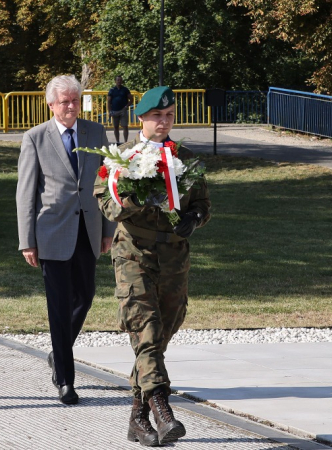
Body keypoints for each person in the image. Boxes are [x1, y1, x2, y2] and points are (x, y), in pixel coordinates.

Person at [94, 86, 211, 445]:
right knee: (145, 326)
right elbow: (108, 206)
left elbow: (203, 204)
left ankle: (136, 417)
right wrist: (135, 195)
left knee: (160, 334)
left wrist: (194, 219)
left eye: (169, 115)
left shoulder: (185, 158)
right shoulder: (121, 160)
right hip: (134, 253)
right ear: (140, 119)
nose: (163, 121)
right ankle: (162, 406)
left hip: (175, 256)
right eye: (157, 116)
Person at [16, 75, 116, 405]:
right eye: (64, 102)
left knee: (85, 297)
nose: (71, 106)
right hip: (51, 233)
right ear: (51, 105)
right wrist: (27, 240)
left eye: (75, 100)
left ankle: (58, 352)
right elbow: (25, 193)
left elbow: (105, 184)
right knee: (58, 308)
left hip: (87, 231)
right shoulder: (35, 138)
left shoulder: (95, 132)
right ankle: (66, 381)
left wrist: (107, 230)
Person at [107, 75, 133, 144]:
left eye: (120, 80)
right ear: (115, 81)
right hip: (114, 110)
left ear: (122, 81)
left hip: (123, 110)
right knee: (116, 127)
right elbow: (109, 102)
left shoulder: (125, 89)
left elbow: (131, 99)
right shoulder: (112, 90)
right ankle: (117, 141)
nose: (119, 81)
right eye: (118, 80)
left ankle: (125, 142)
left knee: (125, 126)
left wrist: (126, 106)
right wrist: (109, 111)